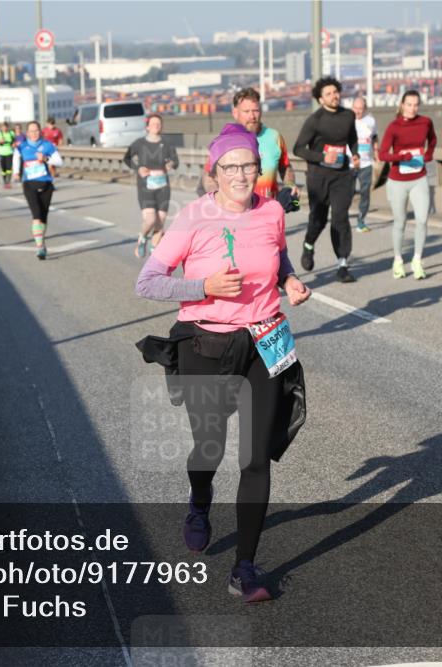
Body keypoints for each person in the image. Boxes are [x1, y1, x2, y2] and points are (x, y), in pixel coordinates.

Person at [134, 123, 310, 603]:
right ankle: (199, 502)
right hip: (205, 346)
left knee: (255, 459)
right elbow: (147, 282)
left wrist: (289, 282)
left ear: (259, 168)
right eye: (230, 166)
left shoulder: (273, 210)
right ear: (213, 173)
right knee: (207, 448)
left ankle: (245, 569)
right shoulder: (193, 218)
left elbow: (278, 255)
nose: (240, 174)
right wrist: (203, 288)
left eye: (248, 165)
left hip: (262, 340)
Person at [293, 76, 360, 282]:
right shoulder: (315, 120)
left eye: (336, 92)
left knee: (340, 218)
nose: (334, 96)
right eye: (329, 94)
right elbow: (298, 148)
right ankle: (308, 244)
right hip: (318, 178)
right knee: (319, 219)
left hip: (342, 176)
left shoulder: (348, 115)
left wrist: (355, 154)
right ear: (320, 99)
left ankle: (342, 264)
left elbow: (352, 138)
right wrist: (323, 157)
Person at [378, 89, 438, 279]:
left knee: (422, 220)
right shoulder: (394, 126)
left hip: (419, 177)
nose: (412, 108)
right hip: (398, 180)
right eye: (409, 104)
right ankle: (397, 260)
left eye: (415, 104)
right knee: (400, 221)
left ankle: (417, 260)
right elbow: (382, 154)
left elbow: (433, 140)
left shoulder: (425, 122)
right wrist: (400, 156)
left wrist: (428, 155)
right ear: (402, 105)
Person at [201, 88, 299, 202]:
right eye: (246, 111)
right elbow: (208, 175)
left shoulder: (274, 137)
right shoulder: (224, 142)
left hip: (269, 210)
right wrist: (217, 200)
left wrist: (290, 185)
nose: (252, 116)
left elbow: (285, 166)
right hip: (236, 212)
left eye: (256, 110)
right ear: (235, 113)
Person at [123, 113, 179, 258]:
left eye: (158, 124)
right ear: (147, 127)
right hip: (145, 186)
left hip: (163, 186)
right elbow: (127, 158)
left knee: (160, 222)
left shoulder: (166, 144)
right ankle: (142, 238)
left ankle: (155, 251)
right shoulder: (139, 143)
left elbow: (175, 160)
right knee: (150, 219)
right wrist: (138, 168)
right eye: (153, 124)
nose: (156, 126)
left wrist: (171, 164)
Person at [16, 121, 59, 259]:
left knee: (44, 217)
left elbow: (59, 161)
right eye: (31, 131)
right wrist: (16, 172)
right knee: (36, 216)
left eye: (36, 131)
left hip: (46, 184)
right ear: (27, 133)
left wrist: (46, 159)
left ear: (40, 131)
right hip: (29, 184)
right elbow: (16, 159)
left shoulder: (47, 145)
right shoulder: (22, 146)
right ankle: (39, 247)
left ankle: (41, 241)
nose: (34, 133)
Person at [350, 96, 378, 233]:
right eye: (355, 108)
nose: (358, 111)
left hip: (366, 163)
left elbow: (374, 136)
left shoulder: (371, 121)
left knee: (365, 193)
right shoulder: (346, 121)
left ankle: (361, 222)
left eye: (360, 109)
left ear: (365, 109)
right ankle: (341, 220)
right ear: (351, 108)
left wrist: (377, 150)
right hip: (349, 164)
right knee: (347, 193)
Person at [0, 122, 16, 187]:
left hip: (9, 152)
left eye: (5, 127)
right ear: (1, 128)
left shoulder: (11, 133)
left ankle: (8, 181)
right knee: (3, 169)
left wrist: (14, 144)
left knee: (9, 168)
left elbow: (14, 141)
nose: (4, 128)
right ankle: (5, 181)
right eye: (3, 127)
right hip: (1, 153)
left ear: (7, 127)